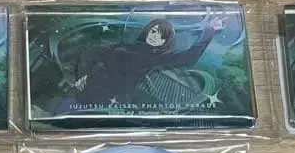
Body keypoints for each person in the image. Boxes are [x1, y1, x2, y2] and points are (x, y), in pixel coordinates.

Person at [74, 16, 225, 105]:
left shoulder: (157, 55)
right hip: (86, 87)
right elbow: (97, 55)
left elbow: (190, 56)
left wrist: (210, 30)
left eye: (162, 36)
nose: (155, 37)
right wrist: (85, 76)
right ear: (147, 30)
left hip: (103, 98)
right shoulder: (127, 46)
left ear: (165, 42)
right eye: (153, 31)